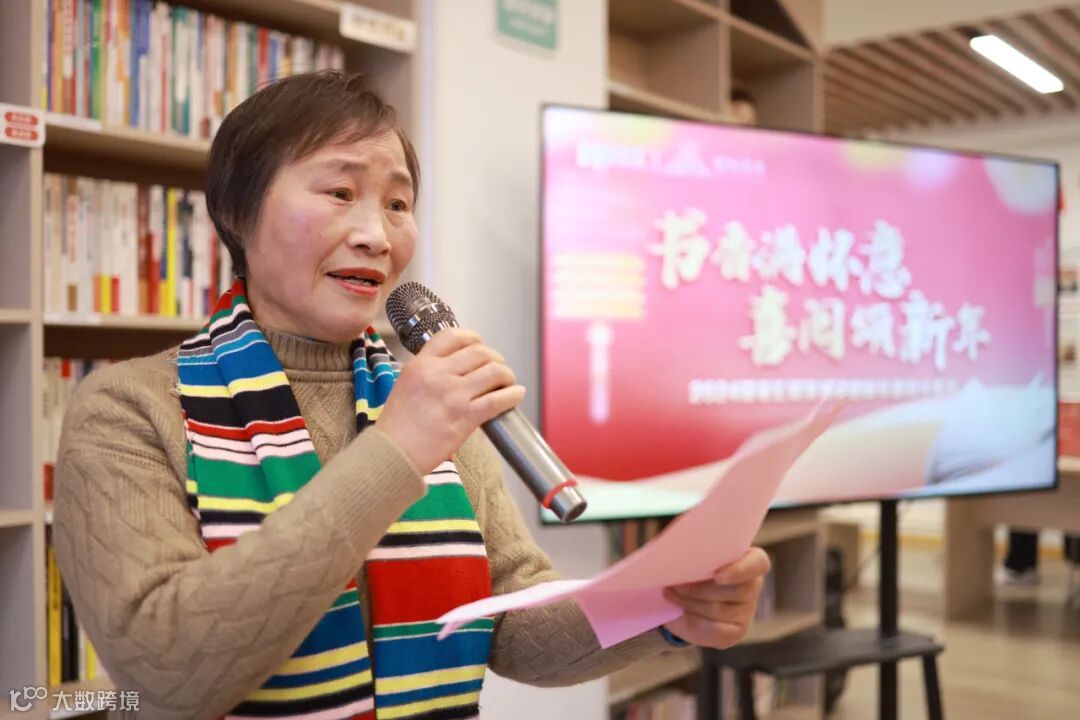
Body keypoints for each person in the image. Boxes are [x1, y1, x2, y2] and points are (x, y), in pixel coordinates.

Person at [52, 71, 772, 720]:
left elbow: (511, 626)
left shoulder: (428, 398)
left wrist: (663, 605)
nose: (376, 234)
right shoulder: (127, 407)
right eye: (340, 193)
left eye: (398, 203)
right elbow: (164, 674)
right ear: (236, 211)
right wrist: (398, 449)